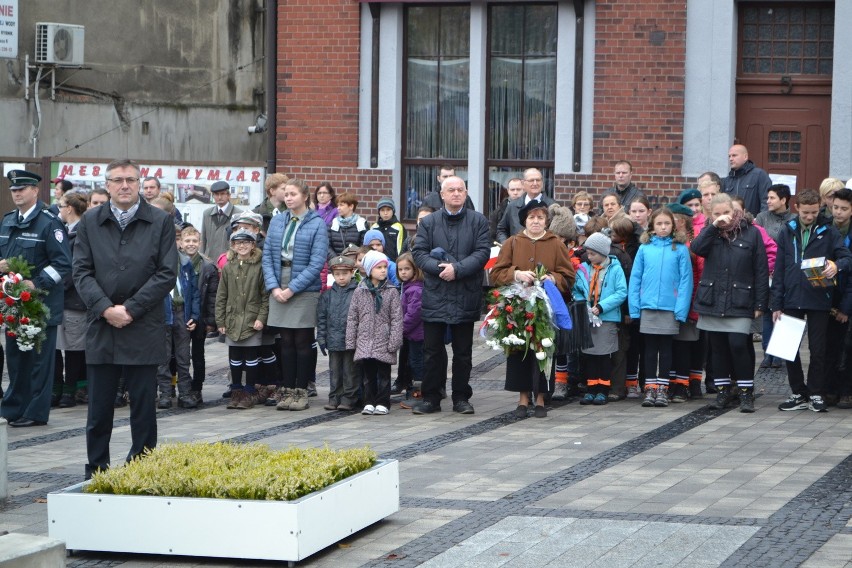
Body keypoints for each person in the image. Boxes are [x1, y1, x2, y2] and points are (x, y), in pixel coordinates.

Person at [73, 159, 178, 478]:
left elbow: (166, 273)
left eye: (130, 179)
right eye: (117, 180)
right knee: (99, 409)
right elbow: (81, 271)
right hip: (102, 326)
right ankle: (97, 470)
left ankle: (141, 470)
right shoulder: (90, 221)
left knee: (144, 408)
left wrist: (130, 308)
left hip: (143, 326)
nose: (124, 185)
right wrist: (106, 308)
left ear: (139, 182)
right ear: (107, 184)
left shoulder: (159, 221)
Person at [488, 200, 576, 417]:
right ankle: (522, 398)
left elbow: (568, 276)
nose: (535, 221)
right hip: (518, 306)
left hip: (546, 307)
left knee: (543, 349)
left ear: (546, 221)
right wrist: (516, 274)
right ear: (524, 220)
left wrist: (553, 278)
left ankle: (540, 398)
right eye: (531, 217)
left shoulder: (556, 243)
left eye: (540, 217)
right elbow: (496, 274)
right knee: (519, 349)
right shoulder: (512, 242)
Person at [411, 176, 490, 414]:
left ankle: (461, 398)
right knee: (432, 352)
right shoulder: (429, 222)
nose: (456, 194)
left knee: (463, 353)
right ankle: (431, 398)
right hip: (436, 293)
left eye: (460, 190)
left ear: (466, 194)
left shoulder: (478, 221)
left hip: (465, 293)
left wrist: (458, 269)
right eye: (451, 190)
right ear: (442, 194)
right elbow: (419, 252)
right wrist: (440, 269)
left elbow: (482, 252)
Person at [0, 170, 71, 428]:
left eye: (22, 189)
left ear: (35, 191)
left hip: (41, 305)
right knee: (16, 360)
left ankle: (36, 412)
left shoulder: (49, 222)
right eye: (13, 190)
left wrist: (37, 282)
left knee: (39, 363)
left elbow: (63, 265)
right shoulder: (7, 221)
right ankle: (14, 408)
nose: (17, 193)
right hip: (13, 306)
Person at [771, 189, 852, 413]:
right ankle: (798, 392)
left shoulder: (828, 230)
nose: (810, 217)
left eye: (814, 212)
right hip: (791, 296)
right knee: (789, 348)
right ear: (797, 208)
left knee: (818, 349)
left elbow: (846, 257)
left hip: (819, 296)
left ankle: (816, 393)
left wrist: (837, 265)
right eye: (806, 212)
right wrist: (776, 303)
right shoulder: (788, 230)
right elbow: (779, 269)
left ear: (819, 208)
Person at [691, 193, 769, 412]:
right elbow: (696, 248)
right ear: (710, 214)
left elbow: (761, 270)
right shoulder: (710, 233)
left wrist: (760, 304)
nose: (722, 217)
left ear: (735, 211)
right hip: (713, 299)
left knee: (737, 345)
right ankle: (722, 393)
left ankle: (745, 393)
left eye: (726, 212)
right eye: (716, 214)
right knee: (717, 349)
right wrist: (714, 227)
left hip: (741, 299)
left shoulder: (752, 233)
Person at [263, 178, 328, 412]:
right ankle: (287, 389)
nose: (288, 198)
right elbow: (267, 255)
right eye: (286, 194)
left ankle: (302, 390)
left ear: (304, 196)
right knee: (285, 342)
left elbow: (317, 262)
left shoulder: (316, 223)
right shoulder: (278, 220)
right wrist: (274, 287)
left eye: (293, 194)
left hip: (303, 287)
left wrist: (292, 289)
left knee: (302, 340)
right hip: (279, 283)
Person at [627, 207, 693, 408]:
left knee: (665, 349)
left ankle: (663, 388)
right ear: (652, 226)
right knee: (649, 349)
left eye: (667, 224)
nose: (663, 227)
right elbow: (636, 279)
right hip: (648, 307)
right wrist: (635, 308)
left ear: (673, 226)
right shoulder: (645, 249)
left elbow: (685, 281)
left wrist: (680, 309)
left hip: (669, 308)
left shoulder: (680, 249)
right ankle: (650, 388)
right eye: (659, 224)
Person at [571, 231, 627, 406]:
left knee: (603, 355)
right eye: (588, 253)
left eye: (592, 253)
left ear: (603, 253)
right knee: (589, 355)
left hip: (606, 317)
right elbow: (577, 290)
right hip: (588, 316)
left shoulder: (615, 269)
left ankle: (603, 389)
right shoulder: (584, 269)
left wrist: (602, 306)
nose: (589, 256)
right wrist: (583, 304)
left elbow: (621, 292)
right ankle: (591, 388)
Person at [216, 230, 269, 409]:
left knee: (251, 356)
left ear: (253, 245)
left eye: (247, 242)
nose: (242, 246)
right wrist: (220, 321)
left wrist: (261, 318)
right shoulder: (229, 267)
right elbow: (221, 296)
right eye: (238, 243)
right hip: (232, 319)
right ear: (233, 246)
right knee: (235, 357)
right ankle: (236, 390)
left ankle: (249, 392)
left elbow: (265, 296)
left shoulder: (259, 266)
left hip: (252, 319)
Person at [346, 250, 403, 415]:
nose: (384, 270)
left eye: (385, 267)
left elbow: (397, 319)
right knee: (368, 375)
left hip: (383, 340)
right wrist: (351, 341)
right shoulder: (360, 291)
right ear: (370, 269)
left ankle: (383, 402)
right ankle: (369, 401)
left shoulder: (392, 291)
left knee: (384, 375)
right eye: (379, 267)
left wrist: (394, 341)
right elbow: (353, 318)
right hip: (364, 340)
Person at [53, 191, 90, 408]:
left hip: (74, 299)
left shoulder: (82, 234)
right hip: (61, 298)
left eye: (61, 206)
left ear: (69, 208)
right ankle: (57, 389)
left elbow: (75, 268)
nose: (59, 210)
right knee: (57, 346)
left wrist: (58, 285)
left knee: (74, 347)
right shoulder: (63, 231)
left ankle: (70, 389)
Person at [179, 226, 218, 408]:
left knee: (198, 355)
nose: (191, 244)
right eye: (187, 241)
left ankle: (197, 387)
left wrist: (210, 321)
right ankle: (178, 387)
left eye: (194, 241)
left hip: (200, 317)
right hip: (181, 316)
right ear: (181, 243)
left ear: (200, 243)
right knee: (178, 354)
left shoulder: (208, 266)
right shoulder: (176, 262)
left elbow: (212, 297)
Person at [316, 255, 359, 411]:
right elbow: (321, 318)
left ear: (352, 273)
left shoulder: (358, 292)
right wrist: (321, 337)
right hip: (333, 339)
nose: (341, 277)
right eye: (338, 274)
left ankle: (349, 397)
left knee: (350, 371)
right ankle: (334, 396)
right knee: (334, 371)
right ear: (333, 275)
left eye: (345, 273)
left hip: (350, 340)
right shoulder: (327, 295)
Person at [822, 188, 852, 407]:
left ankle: (846, 390)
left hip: (848, 295)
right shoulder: (825, 228)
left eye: (844, 209)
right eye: (836, 208)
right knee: (828, 345)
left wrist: (846, 308)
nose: (838, 213)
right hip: (827, 295)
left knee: (848, 347)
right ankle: (829, 388)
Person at [395, 252, 425, 408]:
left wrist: (400, 328)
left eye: (407, 269)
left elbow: (413, 315)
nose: (403, 272)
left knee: (417, 364)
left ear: (415, 269)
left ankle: (418, 394)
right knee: (413, 362)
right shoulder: (408, 287)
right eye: (400, 270)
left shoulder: (416, 289)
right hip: (411, 335)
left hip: (417, 335)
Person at [496, 168, 556, 243]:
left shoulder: (552, 206)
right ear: (523, 183)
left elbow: (557, 234)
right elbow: (501, 229)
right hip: (517, 252)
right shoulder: (512, 206)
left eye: (538, 180)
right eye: (531, 180)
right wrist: (507, 245)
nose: (535, 183)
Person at [722, 145, 771, 216]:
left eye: (734, 155)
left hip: (753, 223)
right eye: (729, 156)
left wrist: (760, 221)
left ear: (745, 157)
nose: (731, 159)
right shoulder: (727, 180)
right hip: (731, 224)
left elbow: (766, 201)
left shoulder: (759, 175)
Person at [201, 180, 243, 260]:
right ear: (213, 196)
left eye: (222, 194)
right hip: (209, 260)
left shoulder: (238, 214)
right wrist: (201, 259)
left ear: (228, 195)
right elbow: (203, 239)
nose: (219, 197)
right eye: (216, 194)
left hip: (229, 261)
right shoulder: (207, 214)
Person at [328, 191, 368, 258]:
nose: (338, 208)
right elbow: (327, 246)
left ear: (351, 206)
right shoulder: (333, 224)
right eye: (338, 205)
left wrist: (354, 260)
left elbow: (364, 247)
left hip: (355, 265)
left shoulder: (361, 224)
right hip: (336, 265)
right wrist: (337, 260)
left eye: (341, 205)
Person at [489, 178, 524, 242]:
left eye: (518, 189)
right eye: (512, 190)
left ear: (524, 190)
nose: (515, 193)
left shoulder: (529, 207)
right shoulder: (498, 211)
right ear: (508, 190)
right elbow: (493, 233)